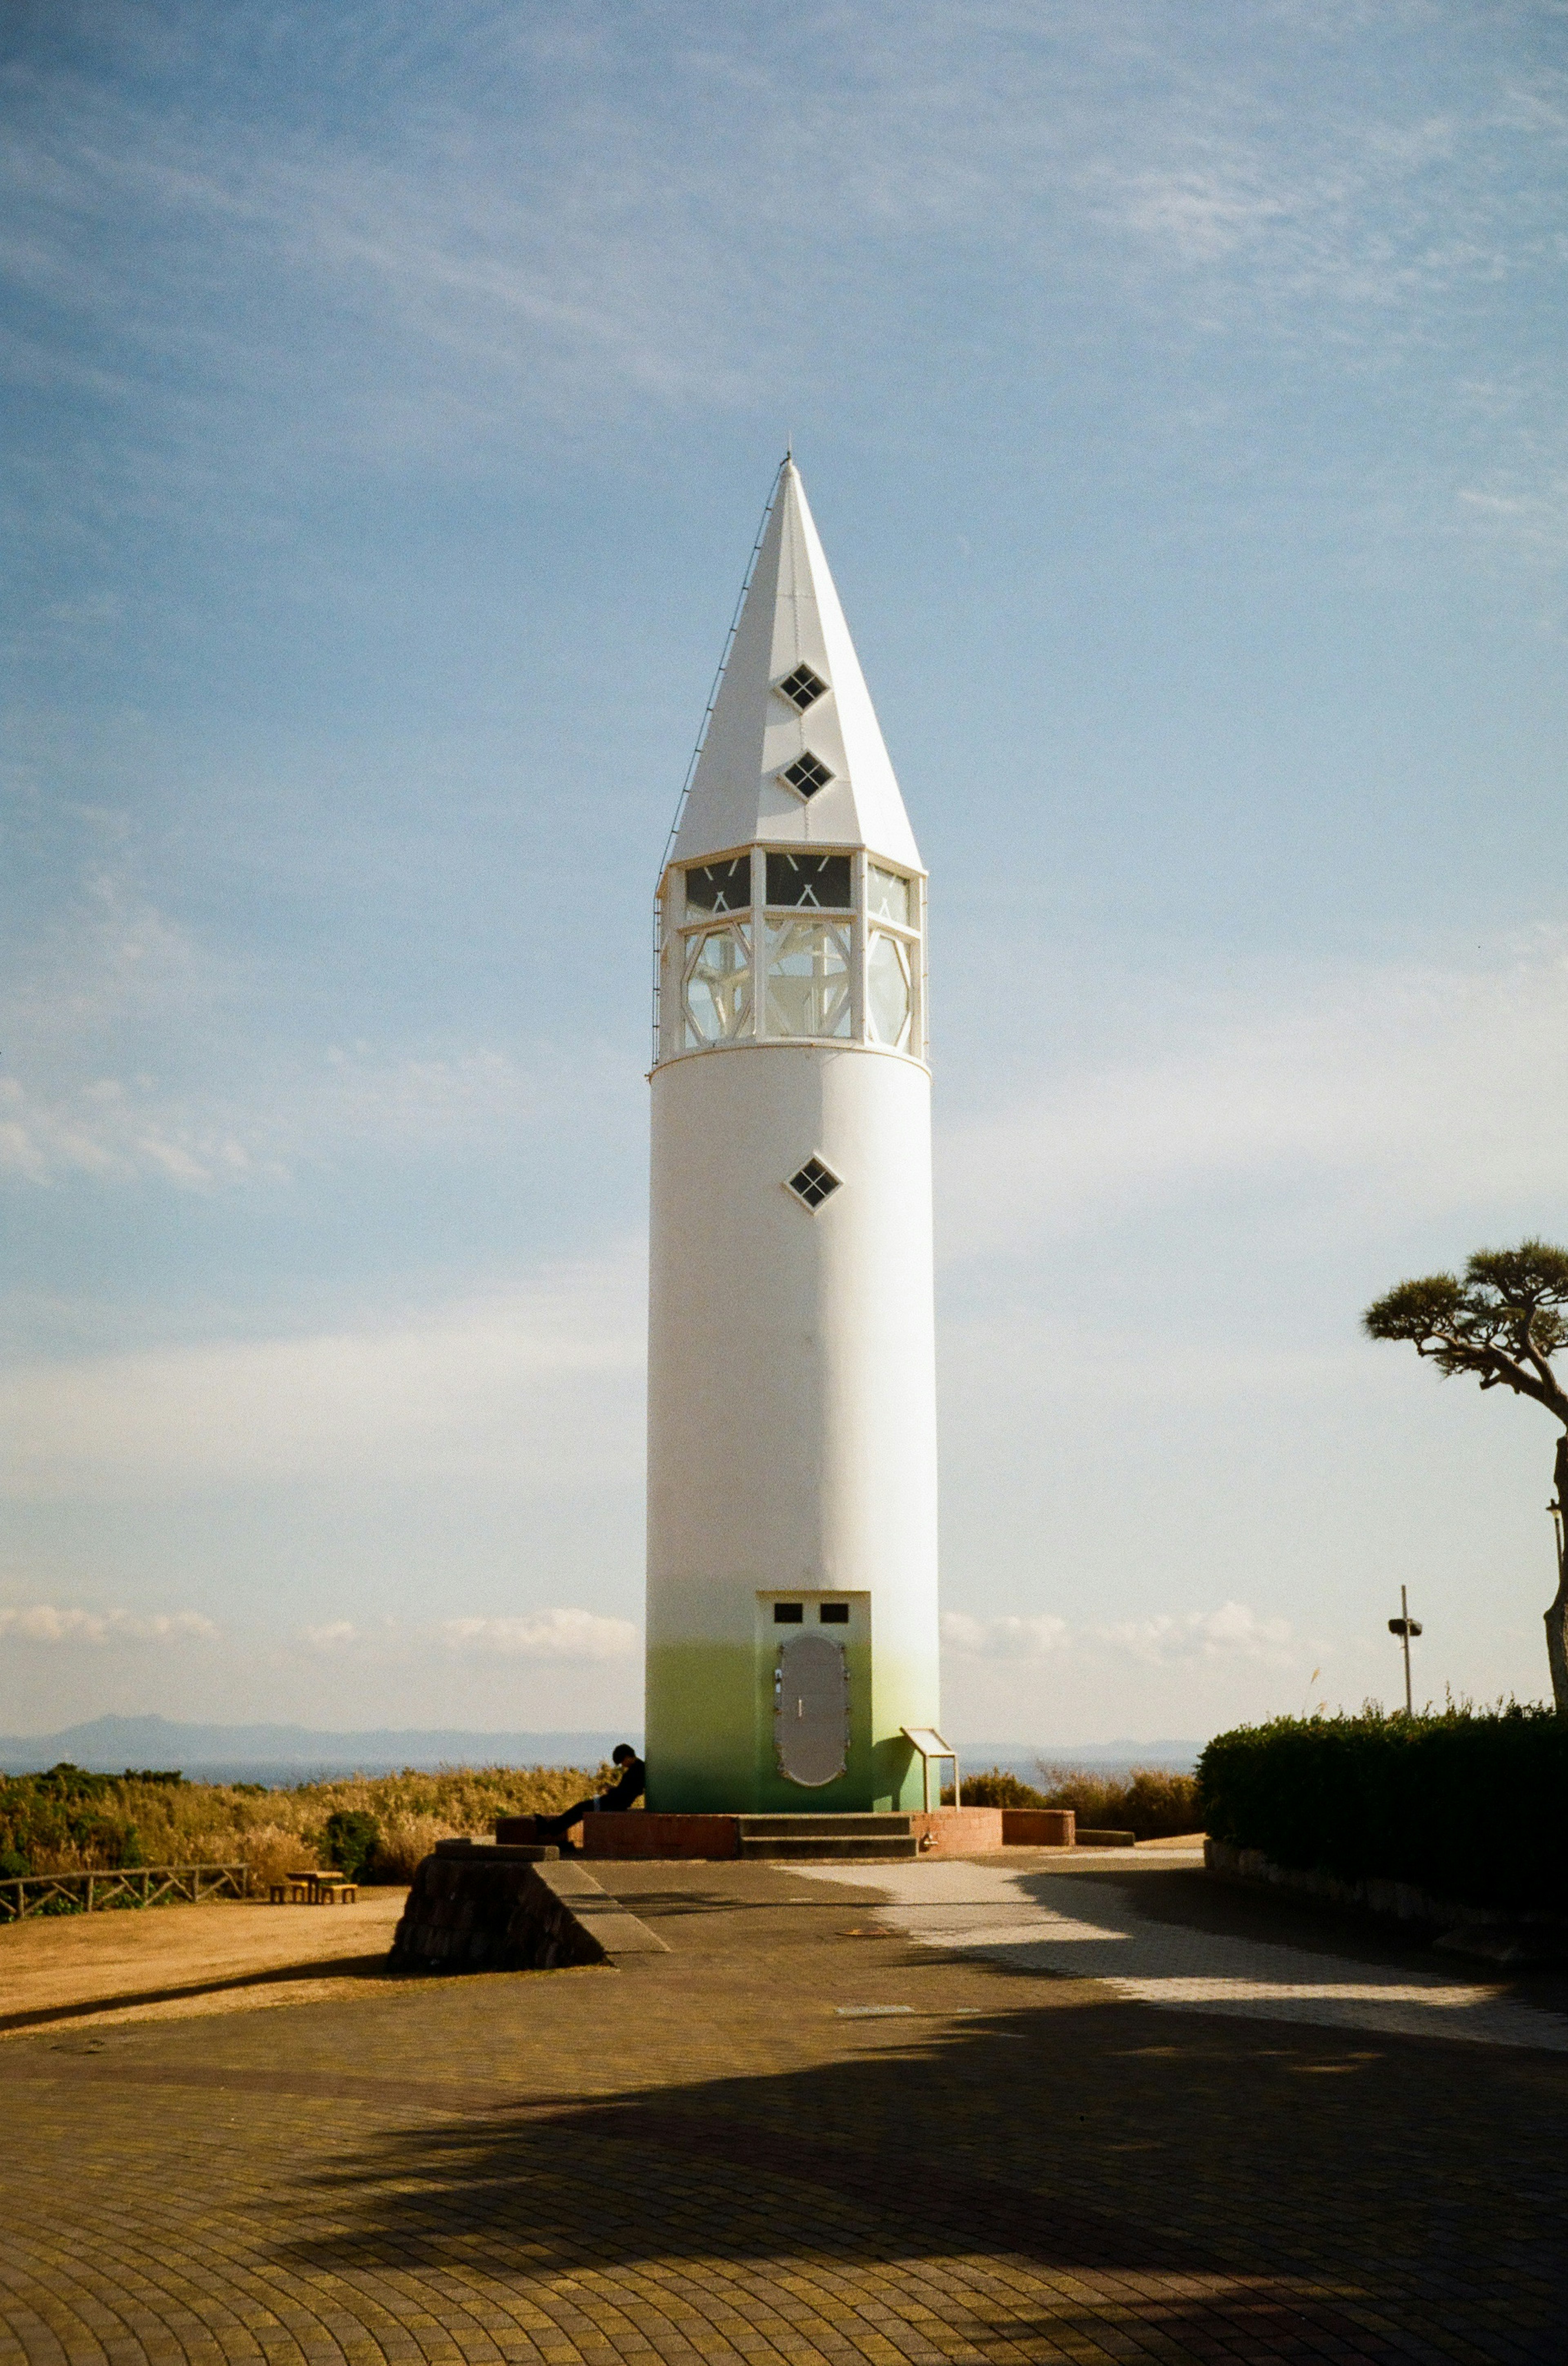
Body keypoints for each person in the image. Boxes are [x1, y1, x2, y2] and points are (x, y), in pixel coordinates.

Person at [535, 1744, 645, 1851]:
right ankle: (551, 1829)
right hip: (615, 1802)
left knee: (581, 1808)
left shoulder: (635, 1771)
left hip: (614, 1803)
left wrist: (611, 1790)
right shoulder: (638, 1768)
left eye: (622, 1762)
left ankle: (550, 1829)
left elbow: (624, 1793)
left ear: (627, 1757)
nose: (623, 1765)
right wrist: (614, 1789)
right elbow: (629, 1790)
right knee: (581, 1808)